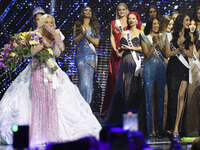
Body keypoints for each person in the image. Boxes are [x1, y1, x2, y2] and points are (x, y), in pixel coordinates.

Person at [0, 14, 101, 147]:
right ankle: (36, 134)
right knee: (36, 100)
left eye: (51, 22)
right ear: (42, 24)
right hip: (36, 70)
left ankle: (52, 133)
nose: (49, 25)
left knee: (55, 99)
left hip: (53, 71)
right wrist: (34, 51)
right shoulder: (33, 35)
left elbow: (59, 52)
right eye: (46, 22)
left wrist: (56, 39)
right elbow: (25, 54)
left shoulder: (56, 34)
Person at [105, 12, 143, 124]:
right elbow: (121, 49)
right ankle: (128, 124)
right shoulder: (124, 33)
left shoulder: (141, 33)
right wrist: (120, 49)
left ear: (137, 20)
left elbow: (143, 48)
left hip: (137, 66)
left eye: (133, 18)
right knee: (127, 94)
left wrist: (130, 47)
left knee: (135, 93)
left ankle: (134, 124)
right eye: (129, 18)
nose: (131, 20)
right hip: (126, 65)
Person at [165, 14, 193, 137]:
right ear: (181, 21)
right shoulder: (170, 36)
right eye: (187, 20)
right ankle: (171, 126)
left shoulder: (189, 35)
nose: (189, 22)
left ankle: (177, 126)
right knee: (172, 97)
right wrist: (177, 50)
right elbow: (167, 53)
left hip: (183, 68)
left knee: (181, 96)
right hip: (173, 67)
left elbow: (191, 54)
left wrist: (184, 51)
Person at [140, 17, 168, 137]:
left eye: (158, 23)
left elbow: (165, 54)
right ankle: (151, 129)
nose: (157, 25)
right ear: (150, 25)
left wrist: (159, 45)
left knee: (160, 98)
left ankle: (159, 129)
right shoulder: (144, 37)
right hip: (149, 69)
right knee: (150, 99)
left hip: (161, 69)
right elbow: (147, 54)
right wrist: (154, 44)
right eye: (155, 23)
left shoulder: (164, 36)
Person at [101, 3, 129, 114]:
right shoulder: (113, 23)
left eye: (123, 10)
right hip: (115, 54)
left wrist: (123, 51)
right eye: (119, 10)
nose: (121, 12)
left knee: (125, 81)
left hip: (127, 53)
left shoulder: (130, 22)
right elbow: (112, 37)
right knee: (114, 79)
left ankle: (124, 109)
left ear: (126, 10)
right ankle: (112, 109)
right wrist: (116, 49)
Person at [73, 6, 100, 104]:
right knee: (83, 81)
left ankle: (87, 106)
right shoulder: (77, 25)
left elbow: (96, 42)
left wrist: (87, 35)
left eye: (90, 10)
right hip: (80, 55)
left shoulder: (95, 26)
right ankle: (82, 105)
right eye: (86, 10)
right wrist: (81, 33)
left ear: (92, 13)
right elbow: (75, 41)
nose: (88, 12)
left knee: (89, 81)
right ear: (83, 12)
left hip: (91, 56)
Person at [186, 18, 200, 137]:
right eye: (190, 24)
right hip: (186, 69)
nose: (192, 26)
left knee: (196, 100)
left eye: (194, 24)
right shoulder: (184, 38)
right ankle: (189, 128)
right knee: (188, 99)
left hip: (197, 71)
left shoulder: (198, 39)